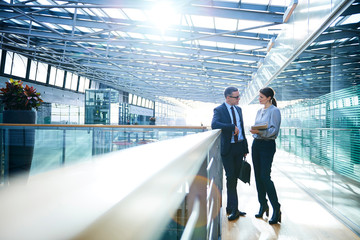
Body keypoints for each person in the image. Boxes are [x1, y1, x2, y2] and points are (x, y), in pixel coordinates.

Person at [211, 86, 249, 221]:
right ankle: (234, 209)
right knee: (231, 177)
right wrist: (231, 127)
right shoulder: (219, 109)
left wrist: (245, 148)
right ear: (228, 98)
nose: (239, 99)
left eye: (239, 96)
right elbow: (214, 124)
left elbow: (242, 129)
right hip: (228, 149)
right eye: (236, 97)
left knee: (234, 178)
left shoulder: (239, 109)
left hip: (239, 148)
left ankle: (231, 207)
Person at [249, 87, 282, 224]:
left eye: (261, 97)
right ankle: (263, 204)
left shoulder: (275, 111)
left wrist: (260, 132)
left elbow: (274, 131)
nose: (259, 99)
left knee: (265, 176)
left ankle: (276, 208)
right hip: (256, 144)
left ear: (269, 98)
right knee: (257, 176)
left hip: (267, 146)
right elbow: (257, 128)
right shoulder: (259, 111)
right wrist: (254, 131)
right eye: (259, 96)